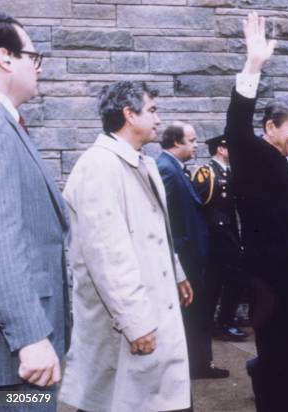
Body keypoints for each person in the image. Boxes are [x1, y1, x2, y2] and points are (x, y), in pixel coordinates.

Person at [59, 81, 192, 411]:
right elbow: (107, 254)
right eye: (152, 110)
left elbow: (156, 228)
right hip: (125, 320)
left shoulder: (141, 161)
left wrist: (176, 271)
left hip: (152, 305)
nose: (158, 119)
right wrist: (135, 322)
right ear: (129, 114)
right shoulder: (99, 167)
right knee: (115, 399)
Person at [223, 13, 288, 411]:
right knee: (278, 374)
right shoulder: (254, 156)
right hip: (272, 291)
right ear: (270, 127)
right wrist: (253, 65)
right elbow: (236, 126)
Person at [0, 13, 70, 409]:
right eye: (33, 56)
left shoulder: (10, 125)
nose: (37, 67)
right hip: (18, 360)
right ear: (5, 58)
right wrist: (29, 335)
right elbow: (0, 235)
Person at [157, 122, 229, 379]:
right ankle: (198, 364)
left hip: (194, 255)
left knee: (198, 312)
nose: (197, 144)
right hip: (186, 257)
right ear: (177, 142)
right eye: (192, 140)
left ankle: (198, 362)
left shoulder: (177, 169)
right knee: (195, 313)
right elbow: (162, 217)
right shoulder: (166, 169)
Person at [192, 135, 249, 343]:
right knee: (228, 278)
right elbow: (195, 206)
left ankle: (218, 323)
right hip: (216, 233)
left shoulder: (229, 172)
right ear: (221, 150)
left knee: (219, 279)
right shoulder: (206, 173)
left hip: (229, 232)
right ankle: (222, 323)